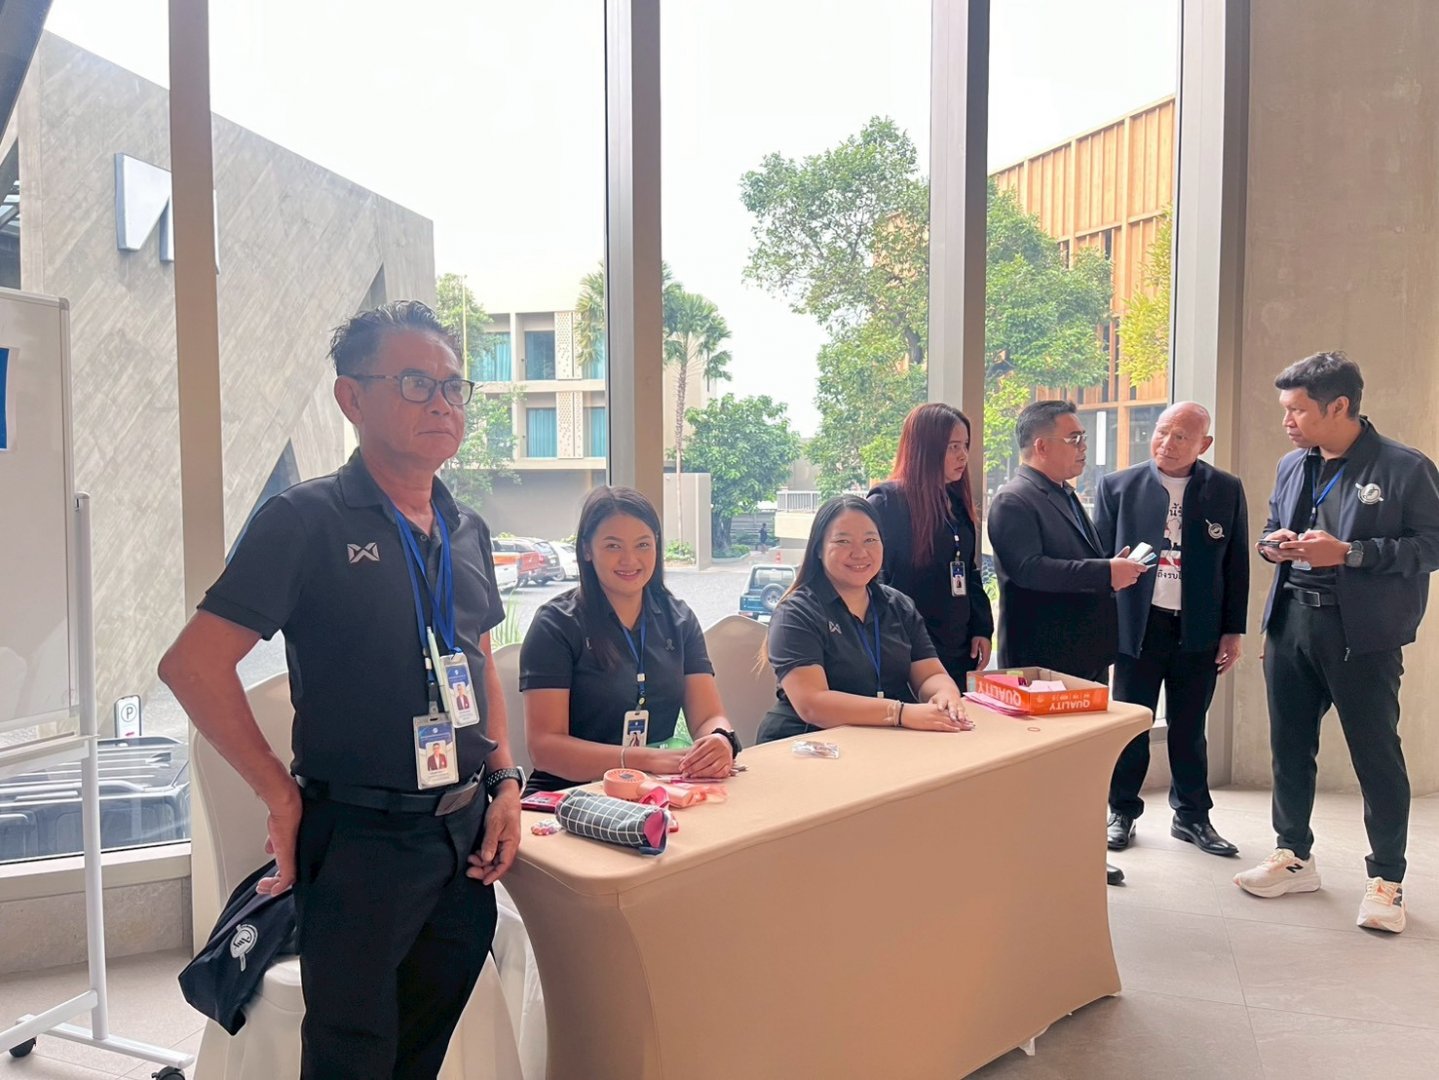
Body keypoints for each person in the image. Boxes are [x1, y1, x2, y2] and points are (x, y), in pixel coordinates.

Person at [158, 300, 524, 1079]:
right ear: (351, 398)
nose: (443, 403)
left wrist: (504, 781)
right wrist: (278, 795)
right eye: (416, 383)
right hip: (360, 839)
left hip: (462, 837)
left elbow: (478, 661)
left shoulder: (465, 528)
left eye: (453, 387)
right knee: (350, 1058)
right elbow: (192, 666)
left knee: (422, 1047)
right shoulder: (304, 519)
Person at [1235, 352, 1439, 934]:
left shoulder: (1405, 467)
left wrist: (1350, 553)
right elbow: (1272, 528)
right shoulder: (1292, 464)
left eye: (1297, 410)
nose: (1287, 421)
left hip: (1362, 635)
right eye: (1286, 410)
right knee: (1289, 747)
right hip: (1291, 623)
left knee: (1376, 756)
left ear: (1339, 406)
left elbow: (1431, 546)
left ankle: (1387, 880)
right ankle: (1293, 855)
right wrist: (1273, 546)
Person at [987, 399, 1150, 886]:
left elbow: (1071, 561)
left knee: (1079, 765)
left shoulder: (1062, 493)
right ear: (1041, 446)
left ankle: (1077, 855)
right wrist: (1105, 573)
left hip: (1083, 653)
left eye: (1082, 438)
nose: (1083, 447)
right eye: (1074, 438)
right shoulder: (1014, 499)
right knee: (1047, 769)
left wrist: (1110, 565)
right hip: (1044, 658)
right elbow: (1029, 570)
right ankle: (1040, 862)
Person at [1093, 402, 1249, 859]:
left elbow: (1236, 565)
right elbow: (1100, 564)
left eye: (1181, 436)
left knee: (1189, 726)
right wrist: (1102, 630)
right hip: (1138, 627)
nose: (1167, 443)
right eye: (1162, 432)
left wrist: (1233, 630)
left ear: (1204, 444)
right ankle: (1121, 811)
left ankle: (1193, 816)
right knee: (1131, 724)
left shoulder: (1225, 489)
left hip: (1198, 628)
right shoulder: (1118, 486)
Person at [520, 486, 741, 792]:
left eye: (643, 545)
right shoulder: (556, 624)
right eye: (613, 546)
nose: (630, 559)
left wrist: (719, 739)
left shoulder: (678, 619)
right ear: (587, 550)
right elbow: (545, 749)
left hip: (655, 787)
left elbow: (709, 716)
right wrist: (642, 760)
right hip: (569, 793)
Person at [756, 494, 972, 743]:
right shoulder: (795, 612)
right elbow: (813, 704)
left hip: (883, 741)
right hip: (805, 742)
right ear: (818, 549)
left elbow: (929, 675)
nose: (859, 553)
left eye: (870, 540)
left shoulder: (898, 606)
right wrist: (899, 713)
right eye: (843, 541)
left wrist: (945, 695)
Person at [868, 402, 994, 685]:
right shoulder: (888, 502)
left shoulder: (957, 503)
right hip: (908, 648)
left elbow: (968, 570)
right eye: (953, 447)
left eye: (965, 445)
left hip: (958, 646)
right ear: (925, 449)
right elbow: (873, 581)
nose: (963, 455)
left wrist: (982, 627)